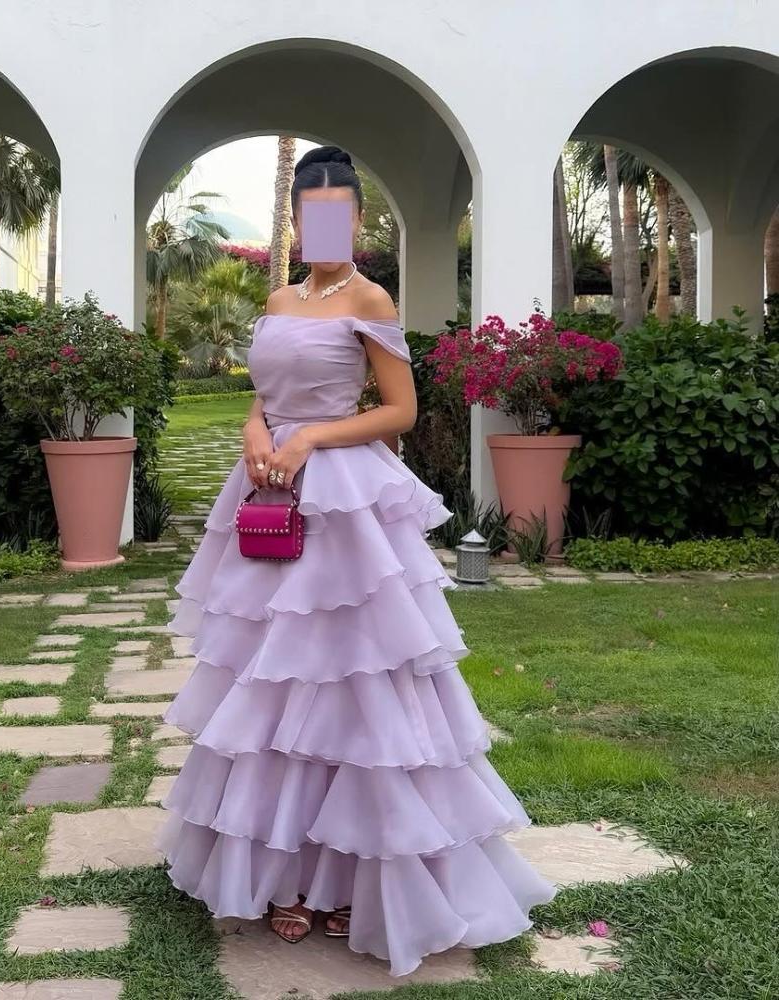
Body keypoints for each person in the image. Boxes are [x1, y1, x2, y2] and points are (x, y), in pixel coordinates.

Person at [154, 144, 559, 977]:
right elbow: (261, 398)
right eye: (312, 215)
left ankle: (349, 875)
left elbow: (400, 410)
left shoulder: (370, 298)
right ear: (297, 220)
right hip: (267, 493)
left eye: (340, 213)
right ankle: (285, 873)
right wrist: (259, 433)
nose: (325, 228)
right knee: (270, 681)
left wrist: (309, 439)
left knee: (353, 683)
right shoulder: (278, 298)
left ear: (357, 218)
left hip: (343, 504)